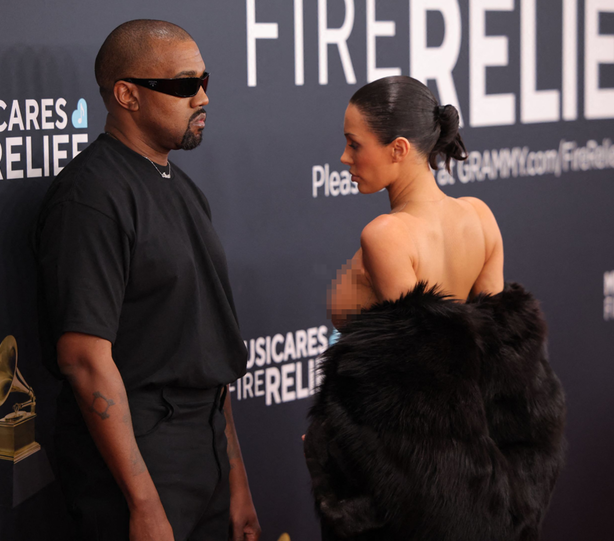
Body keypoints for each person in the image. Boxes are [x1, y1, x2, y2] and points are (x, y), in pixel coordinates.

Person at [304, 76, 566, 540]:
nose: (344, 158)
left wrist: (336, 454)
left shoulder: (386, 237)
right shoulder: (479, 216)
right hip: (463, 478)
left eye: (354, 144)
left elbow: (416, 393)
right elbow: (496, 362)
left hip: (403, 497)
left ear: (399, 149)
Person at [34, 20, 261, 541]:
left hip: (204, 450)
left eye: (204, 81)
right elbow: (84, 359)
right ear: (127, 95)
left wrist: (236, 480)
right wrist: (143, 503)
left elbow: (208, 355)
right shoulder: (90, 198)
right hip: (139, 456)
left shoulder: (183, 188)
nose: (202, 97)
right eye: (184, 85)